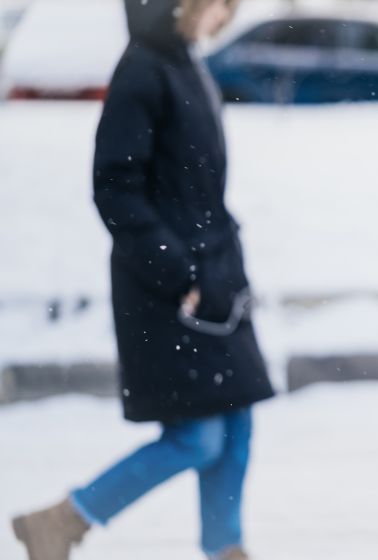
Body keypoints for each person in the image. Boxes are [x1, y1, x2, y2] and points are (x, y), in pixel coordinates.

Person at [10, 1, 274, 559]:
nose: (224, 18)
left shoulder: (186, 63)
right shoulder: (143, 69)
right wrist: (176, 270)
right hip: (166, 288)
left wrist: (221, 268)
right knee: (197, 438)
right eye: (218, 5)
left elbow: (197, 186)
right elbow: (114, 186)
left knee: (237, 428)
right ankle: (62, 520)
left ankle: (227, 550)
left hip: (214, 277)